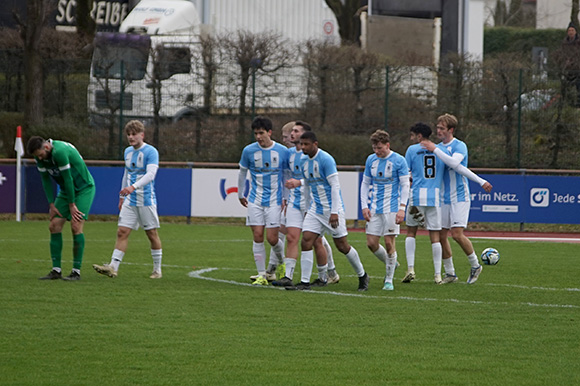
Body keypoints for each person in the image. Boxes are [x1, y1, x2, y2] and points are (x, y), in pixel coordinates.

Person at [286, 131, 369, 291]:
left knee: (342, 246)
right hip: (315, 210)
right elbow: (308, 185)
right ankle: (304, 282)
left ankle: (362, 275)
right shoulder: (303, 161)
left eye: (306, 144)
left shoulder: (326, 159)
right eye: (301, 144)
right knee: (306, 241)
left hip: (332, 210)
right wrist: (307, 207)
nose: (302, 147)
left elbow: (335, 186)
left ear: (315, 144)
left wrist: (334, 212)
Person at [421, 114, 493, 284]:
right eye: (437, 128)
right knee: (441, 235)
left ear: (451, 130)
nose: (438, 131)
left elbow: (455, 164)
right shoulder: (436, 148)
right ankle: (450, 273)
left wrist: (481, 181)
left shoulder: (459, 146)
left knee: (457, 234)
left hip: (460, 196)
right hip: (442, 197)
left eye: (442, 128)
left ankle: (475, 265)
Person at [272, 121, 340, 288]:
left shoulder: (312, 156)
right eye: (292, 132)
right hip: (295, 201)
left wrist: (299, 182)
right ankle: (288, 276)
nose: (292, 134)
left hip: (313, 202)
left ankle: (328, 273)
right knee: (292, 237)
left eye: (296, 131)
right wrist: (285, 199)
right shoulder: (289, 154)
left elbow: (313, 179)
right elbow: (285, 176)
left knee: (317, 241)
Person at [93, 120, 164, 279]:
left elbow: (151, 175)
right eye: (128, 135)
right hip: (130, 200)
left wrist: (133, 187)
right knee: (122, 231)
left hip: (145, 199)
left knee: (151, 234)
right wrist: (121, 196)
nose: (131, 137)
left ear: (142, 135)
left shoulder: (151, 152)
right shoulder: (127, 152)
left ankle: (157, 270)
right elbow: (126, 175)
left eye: (134, 134)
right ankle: (113, 267)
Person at [27, 136, 96, 281]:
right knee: (54, 225)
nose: (39, 158)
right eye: (36, 156)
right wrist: (51, 204)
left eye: (40, 154)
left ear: (46, 147)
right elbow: (45, 179)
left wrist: (72, 205)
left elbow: (68, 178)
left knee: (76, 225)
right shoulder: (40, 158)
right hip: (66, 191)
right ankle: (56, 270)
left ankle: (76, 272)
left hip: (84, 189)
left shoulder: (60, 152)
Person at [238, 116, 288, 286]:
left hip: (274, 200)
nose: (258, 137)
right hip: (255, 200)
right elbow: (242, 172)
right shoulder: (248, 151)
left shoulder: (282, 151)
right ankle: (261, 274)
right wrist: (240, 193)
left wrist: (286, 198)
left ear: (269, 132)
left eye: (261, 133)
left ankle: (282, 264)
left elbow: (287, 175)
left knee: (273, 238)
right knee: (258, 235)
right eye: (256, 133)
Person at [360, 130, 409, 291]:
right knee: (371, 244)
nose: (377, 151)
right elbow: (365, 183)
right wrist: (364, 206)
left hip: (392, 208)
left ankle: (389, 280)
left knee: (389, 242)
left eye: (379, 148)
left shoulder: (399, 160)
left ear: (387, 145)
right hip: (374, 208)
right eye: (374, 148)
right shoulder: (371, 160)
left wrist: (402, 208)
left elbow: (405, 186)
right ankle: (392, 262)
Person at [403, 123, 445, 284]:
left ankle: (411, 269)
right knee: (434, 236)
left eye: (413, 135)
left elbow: (406, 174)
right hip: (434, 196)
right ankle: (437, 275)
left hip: (417, 196)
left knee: (411, 232)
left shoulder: (412, 150)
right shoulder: (439, 150)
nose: (412, 138)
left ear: (419, 136)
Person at [562, 22, 580, 107]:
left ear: (575, 32)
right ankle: (569, 103)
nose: (571, 32)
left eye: (572, 30)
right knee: (568, 85)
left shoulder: (578, 41)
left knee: (578, 86)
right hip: (568, 67)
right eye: (569, 30)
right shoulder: (565, 42)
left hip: (578, 67)